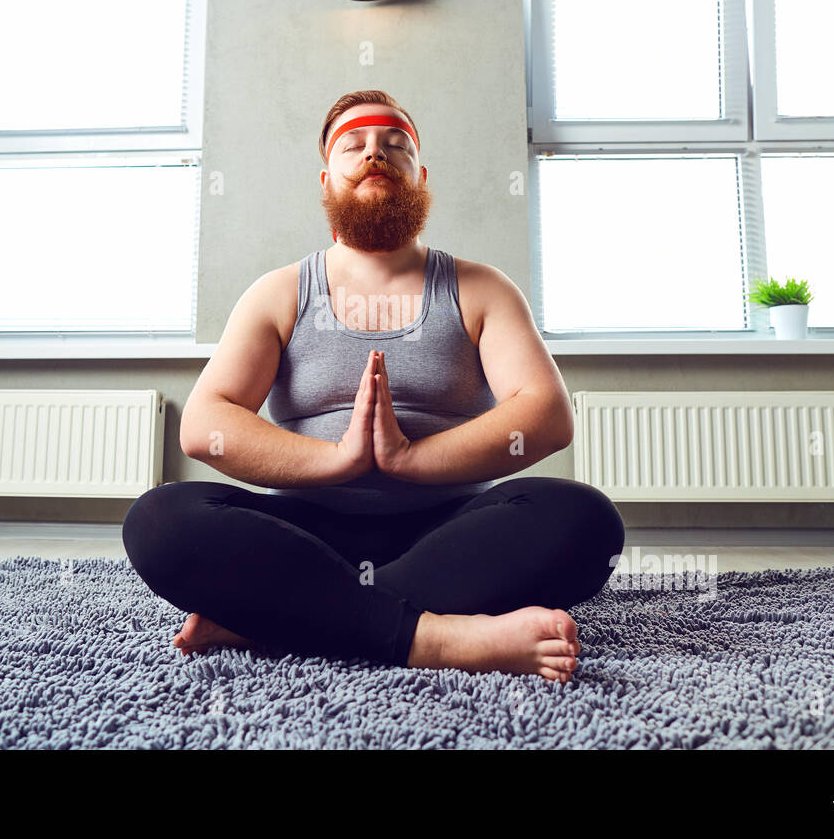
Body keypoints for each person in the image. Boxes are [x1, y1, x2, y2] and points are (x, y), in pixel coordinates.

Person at [122, 89, 625, 683]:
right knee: (159, 520)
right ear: (325, 178)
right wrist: (336, 461)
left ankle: (273, 621)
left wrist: (412, 459)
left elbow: (546, 415)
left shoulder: (482, 288)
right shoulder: (278, 293)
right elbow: (205, 425)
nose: (375, 155)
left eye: (395, 145)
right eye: (353, 145)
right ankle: (436, 638)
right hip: (307, 538)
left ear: (420, 174)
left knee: (584, 520)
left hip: (450, 534)